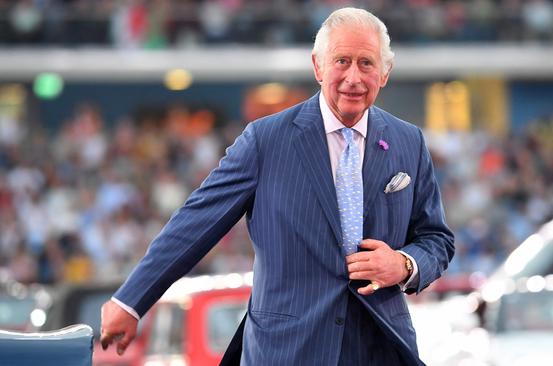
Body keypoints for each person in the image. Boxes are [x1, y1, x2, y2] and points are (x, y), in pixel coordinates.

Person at [100, 7, 454, 366]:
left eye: (366, 63)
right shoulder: (265, 140)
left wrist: (404, 265)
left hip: (380, 349)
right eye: (342, 61)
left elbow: (437, 239)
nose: (353, 77)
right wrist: (130, 301)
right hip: (287, 350)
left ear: (385, 72)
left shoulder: (408, 141)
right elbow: (193, 224)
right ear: (318, 67)